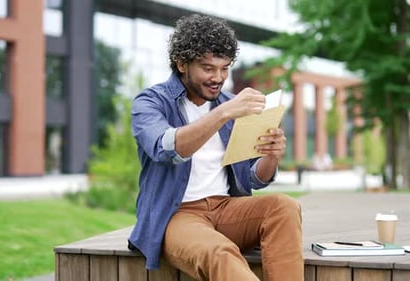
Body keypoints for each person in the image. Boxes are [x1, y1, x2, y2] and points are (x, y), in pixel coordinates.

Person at [128, 13, 304, 281]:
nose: (218, 78)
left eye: (224, 68)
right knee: (220, 253)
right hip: (177, 216)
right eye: (208, 68)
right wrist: (223, 113)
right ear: (182, 64)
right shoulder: (150, 102)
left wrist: (271, 156)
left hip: (227, 209)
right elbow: (167, 149)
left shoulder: (231, 104)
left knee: (284, 206)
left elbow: (254, 178)